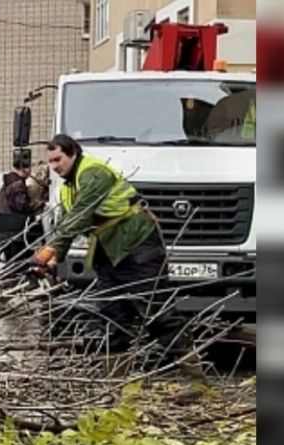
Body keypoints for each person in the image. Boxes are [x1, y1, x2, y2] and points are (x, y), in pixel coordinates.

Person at [30, 134, 202, 378]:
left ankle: (196, 381)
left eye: (58, 159)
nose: (55, 167)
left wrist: (48, 251)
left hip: (137, 245)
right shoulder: (69, 187)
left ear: (73, 154)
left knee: (157, 314)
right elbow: (68, 224)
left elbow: (82, 214)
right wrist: (55, 259)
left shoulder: (93, 173)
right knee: (112, 317)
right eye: (51, 162)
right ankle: (116, 384)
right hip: (109, 251)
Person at [0, 157, 45, 270]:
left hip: (7, 227)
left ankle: (11, 281)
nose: (30, 171)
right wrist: (39, 204)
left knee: (11, 262)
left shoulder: (7, 183)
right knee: (20, 262)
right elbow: (22, 206)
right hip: (18, 228)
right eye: (29, 167)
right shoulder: (18, 185)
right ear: (23, 169)